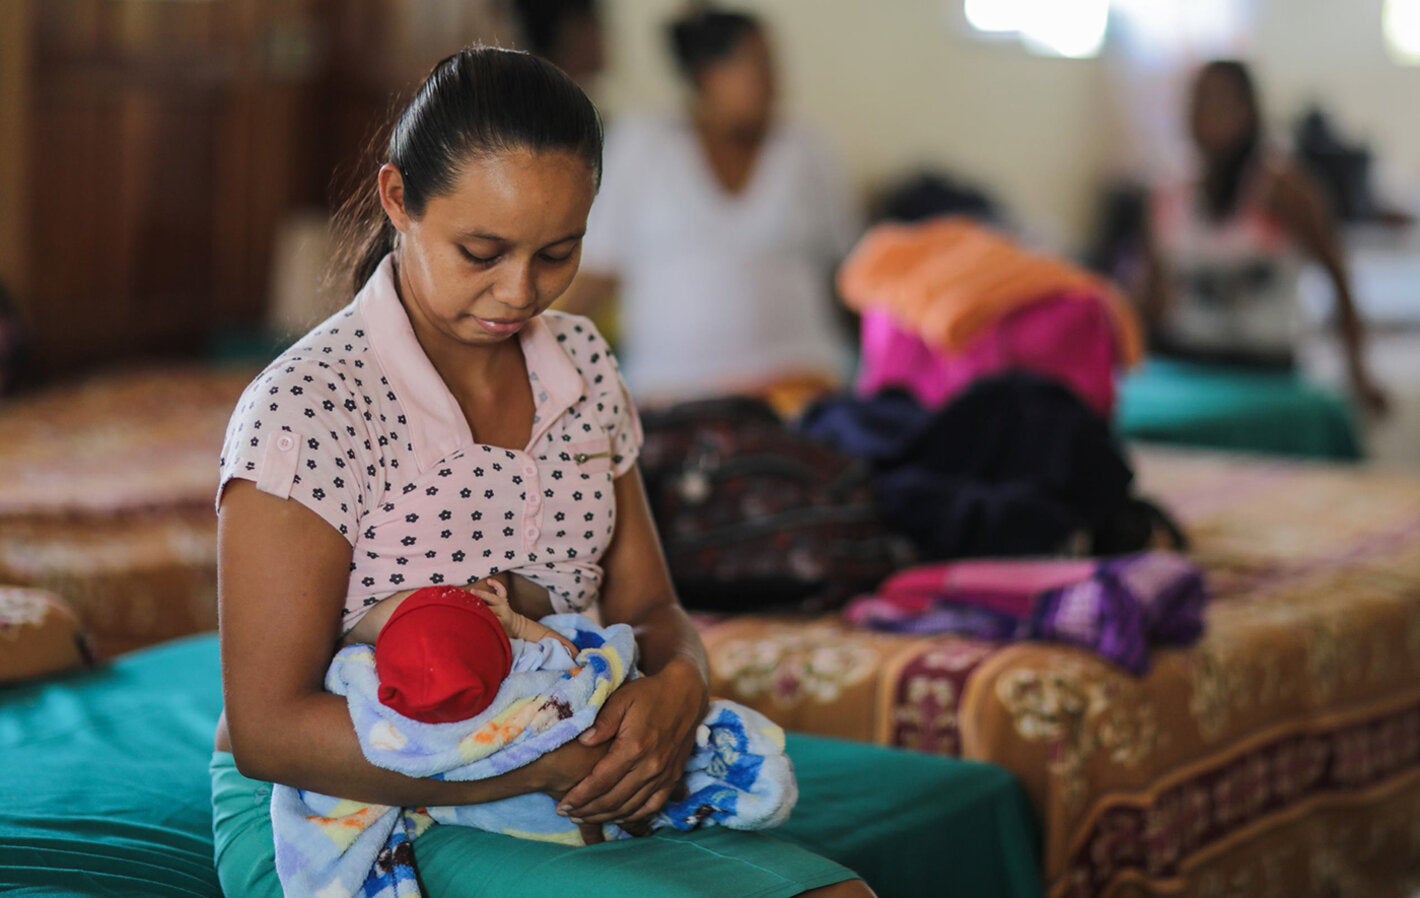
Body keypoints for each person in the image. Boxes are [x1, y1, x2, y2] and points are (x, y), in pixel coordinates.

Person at [210, 45, 872, 897]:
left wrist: (678, 689)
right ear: (398, 200)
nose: (520, 294)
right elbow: (269, 731)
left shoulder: (583, 363)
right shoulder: (309, 406)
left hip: (555, 769)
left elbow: (649, 607)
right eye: (481, 252)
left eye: (557, 254)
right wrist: (532, 768)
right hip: (341, 811)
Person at [560, 7, 861, 404]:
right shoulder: (641, 146)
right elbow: (598, 273)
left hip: (804, 388)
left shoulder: (808, 152)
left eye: (773, 66)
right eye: (756, 66)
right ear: (706, 74)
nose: (773, 83)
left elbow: (851, 282)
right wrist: (537, 343)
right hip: (672, 395)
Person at [1138, 59, 1387, 413]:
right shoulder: (1169, 196)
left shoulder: (1284, 189)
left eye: (1220, 100)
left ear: (1249, 110)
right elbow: (1150, 299)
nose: (1206, 114)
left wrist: (1359, 374)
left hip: (1263, 368)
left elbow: (1338, 276)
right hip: (1189, 363)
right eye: (1198, 101)